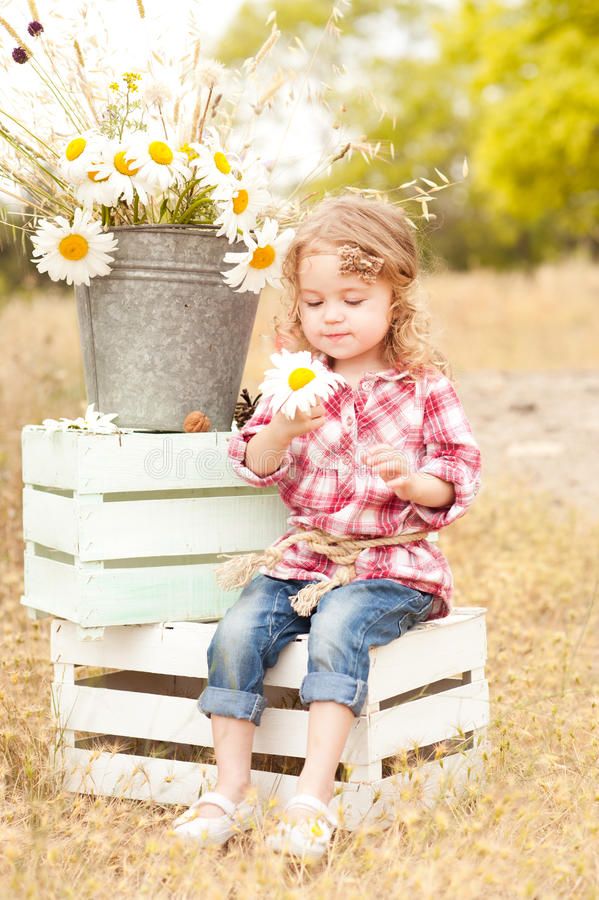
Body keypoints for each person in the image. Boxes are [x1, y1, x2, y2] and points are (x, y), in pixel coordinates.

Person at [171, 194, 481, 859]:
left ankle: (311, 797)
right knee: (237, 632)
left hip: (391, 567)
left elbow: (459, 472)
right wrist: (282, 425)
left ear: (394, 297)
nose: (331, 316)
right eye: (314, 303)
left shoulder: (422, 385)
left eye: (351, 298)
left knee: (339, 625)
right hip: (304, 560)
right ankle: (229, 790)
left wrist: (409, 481)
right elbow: (254, 463)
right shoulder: (296, 381)